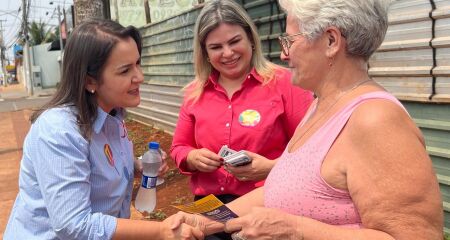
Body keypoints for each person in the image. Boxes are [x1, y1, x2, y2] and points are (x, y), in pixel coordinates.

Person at [176, 0, 444, 239]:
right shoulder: (321, 106)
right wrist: (205, 219)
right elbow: (282, 190)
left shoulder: (376, 120)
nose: (284, 54)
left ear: (331, 41)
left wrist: (297, 230)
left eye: (290, 41)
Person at [4, 19, 205, 240]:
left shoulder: (113, 115)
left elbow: (98, 168)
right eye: (125, 70)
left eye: (138, 63)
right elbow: (74, 225)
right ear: (90, 81)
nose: (140, 77)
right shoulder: (59, 132)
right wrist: (162, 231)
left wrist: (137, 166)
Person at [170, 0, 313, 205]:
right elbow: (179, 147)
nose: (227, 53)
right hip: (209, 207)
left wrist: (271, 167)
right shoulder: (194, 93)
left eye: (234, 41)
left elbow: (312, 151)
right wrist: (191, 157)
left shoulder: (286, 84)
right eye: (216, 47)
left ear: (251, 39)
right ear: (206, 53)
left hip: (269, 202)